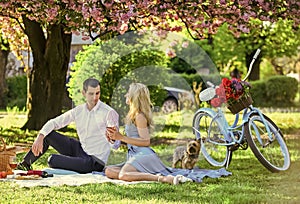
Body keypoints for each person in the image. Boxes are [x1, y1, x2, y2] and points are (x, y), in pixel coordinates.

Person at [17, 78, 119, 173]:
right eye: (91, 94)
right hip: (80, 149)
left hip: (95, 161)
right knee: (48, 134)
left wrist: (113, 139)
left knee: (52, 160)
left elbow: (116, 145)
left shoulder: (109, 113)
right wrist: (40, 136)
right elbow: (54, 122)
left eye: (97, 93)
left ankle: (73, 162)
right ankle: (25, 164)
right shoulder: (79, 110)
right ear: (84, 93)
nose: (95, 97)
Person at [105, 83, 192, 185]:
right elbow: (132, 140)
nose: (126, 95)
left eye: (128, 93)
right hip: (134, 154)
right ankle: (141, 175)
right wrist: (115, 138)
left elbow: (146, 141)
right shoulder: (132, 115)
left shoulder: (139, 116)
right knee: (108, 171)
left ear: (134, 96)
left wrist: (122, 137)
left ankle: (163, 179)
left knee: (123, 175)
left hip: (143, 154)